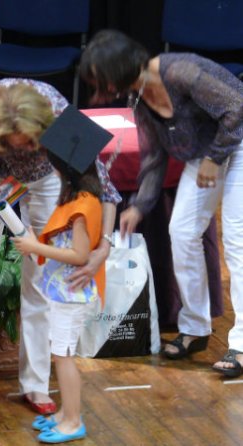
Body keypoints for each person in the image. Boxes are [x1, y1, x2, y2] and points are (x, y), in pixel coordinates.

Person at [0, 79, 121, 414]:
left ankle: (36, 383)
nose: (25, 151)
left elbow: (103, 185)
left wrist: (104, 243)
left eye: (32, 143)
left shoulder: (58, 112)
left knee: (43, 281)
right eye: (14, 145)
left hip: (48, 181)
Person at [80, 29, 243, 376]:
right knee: (182, 231)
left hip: (238, 142)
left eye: (101, 79)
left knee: (237, 241)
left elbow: (237, 106)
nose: (102, 89)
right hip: (208, 153)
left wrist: (215, 156)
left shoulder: (179, 71)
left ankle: (242, 345)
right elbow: (154, 157)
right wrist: (139, 205)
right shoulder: (138, 97)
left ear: (118, 68)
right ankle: (196, 327)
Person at [12, 106, 108, 444]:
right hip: (61, 291)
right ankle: (64, 415)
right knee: (60, 356)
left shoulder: (83, 205)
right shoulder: (77, 196)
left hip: (71, 294)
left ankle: (73, 421)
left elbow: (80, 254)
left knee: (64, 359)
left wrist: (35, 248)